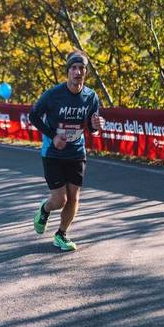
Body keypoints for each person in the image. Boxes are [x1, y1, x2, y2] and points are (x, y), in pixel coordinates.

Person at [29, 50, 105, 252]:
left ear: (85, 73)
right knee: (59, 199)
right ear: (68, 72)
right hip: (53, 153)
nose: (78, 72)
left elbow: (92, 126)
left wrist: (96, 125)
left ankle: (61, 234)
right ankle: (44, 210)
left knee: (74, 197)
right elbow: (34, 116)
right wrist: (52, 135)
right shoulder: (53, 95)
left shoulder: (91, 97)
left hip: (76, 152)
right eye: (74, 68)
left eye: (81, 68)